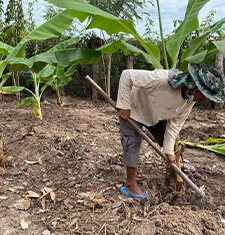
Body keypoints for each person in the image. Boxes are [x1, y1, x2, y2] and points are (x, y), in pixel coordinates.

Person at [116, 63, 224, 199]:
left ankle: (177, 164)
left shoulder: (190, 100)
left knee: (172, 145)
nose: (204, 100)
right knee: (131, 143)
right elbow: (127, 75)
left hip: (157, 115)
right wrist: (124, 106)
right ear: (196, 87)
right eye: (204, 96)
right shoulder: (162, 80)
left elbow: (174, 125)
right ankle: (130, 183)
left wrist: (169, 152)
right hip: (134, 109)